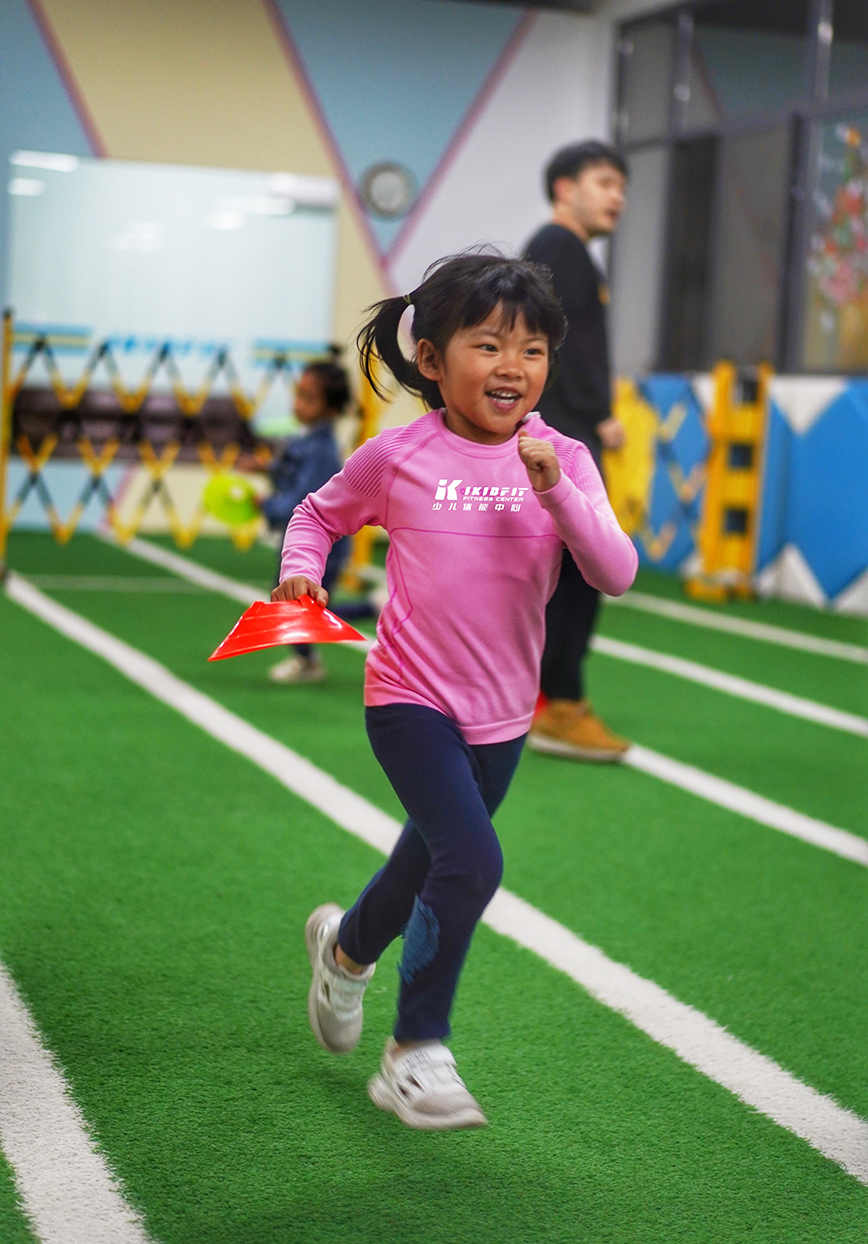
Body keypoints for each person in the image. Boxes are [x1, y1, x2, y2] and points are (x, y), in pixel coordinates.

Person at [273, 253, 637, 1129]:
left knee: (426, 860)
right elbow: (318, 513)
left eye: (533, 350)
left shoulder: (563, 458)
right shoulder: (400, 455)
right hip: (410, 700)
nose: (514, 367)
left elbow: (616, 571)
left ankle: (346, 950)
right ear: (433, 360)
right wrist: (300, 571)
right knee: (472, 862)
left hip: (503, 715)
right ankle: (415, 1051)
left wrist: (560, 496)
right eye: (490, 345)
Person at [524, 141, 630, 761]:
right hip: (568, 431)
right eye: (605, 182)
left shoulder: (561, 251)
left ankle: (541, 697)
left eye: (621, 186)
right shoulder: (561, 249)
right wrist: (600, 411)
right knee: (583, 568)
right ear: (566, 189)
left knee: (560, 572)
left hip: (558, 428)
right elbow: (564, 341)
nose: (618, 196)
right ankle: (561, 704)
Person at [255, 354, 354, 685]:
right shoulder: (306, 440)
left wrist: (266, 505)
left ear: (331, 409)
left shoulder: (321, 450)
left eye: (308, 398)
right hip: (301, 543)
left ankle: (309, 661)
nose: (298, 403)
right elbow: (290, 473)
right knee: (301, 605)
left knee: (302, 605)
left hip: (321, 546)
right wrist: (265, 469)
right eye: (298, 394)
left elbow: (301, 501)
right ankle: (307, 659)